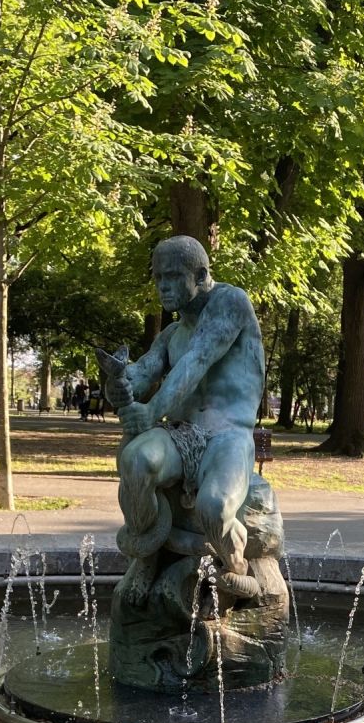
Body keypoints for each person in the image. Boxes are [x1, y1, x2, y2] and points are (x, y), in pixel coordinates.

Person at [103, 234, 267, 604]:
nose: (163, 286)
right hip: (181, 434)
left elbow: (197, 360)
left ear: (202, 274)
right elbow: (142, 372)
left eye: (174, 276)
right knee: (137, 460)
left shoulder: (231, 303)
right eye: (159, 277)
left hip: (226, 436)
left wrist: (150, 411)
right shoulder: (172, 334)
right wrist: (119, 382)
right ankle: (147, 549)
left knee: (215, 507)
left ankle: (236, 568)